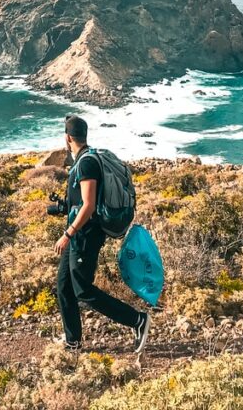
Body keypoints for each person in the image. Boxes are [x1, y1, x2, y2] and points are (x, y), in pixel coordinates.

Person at [53, 114, 151, 353]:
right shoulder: (85, 159)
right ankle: (72, 341)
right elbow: (82, 202)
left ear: (68, 138)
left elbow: (88, 205)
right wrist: (64, 208)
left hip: (85, 235)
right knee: (63, 285)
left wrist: (68, 233)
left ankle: (137, 320)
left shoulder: (86, 163)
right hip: (79, 234)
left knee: (83, 290)